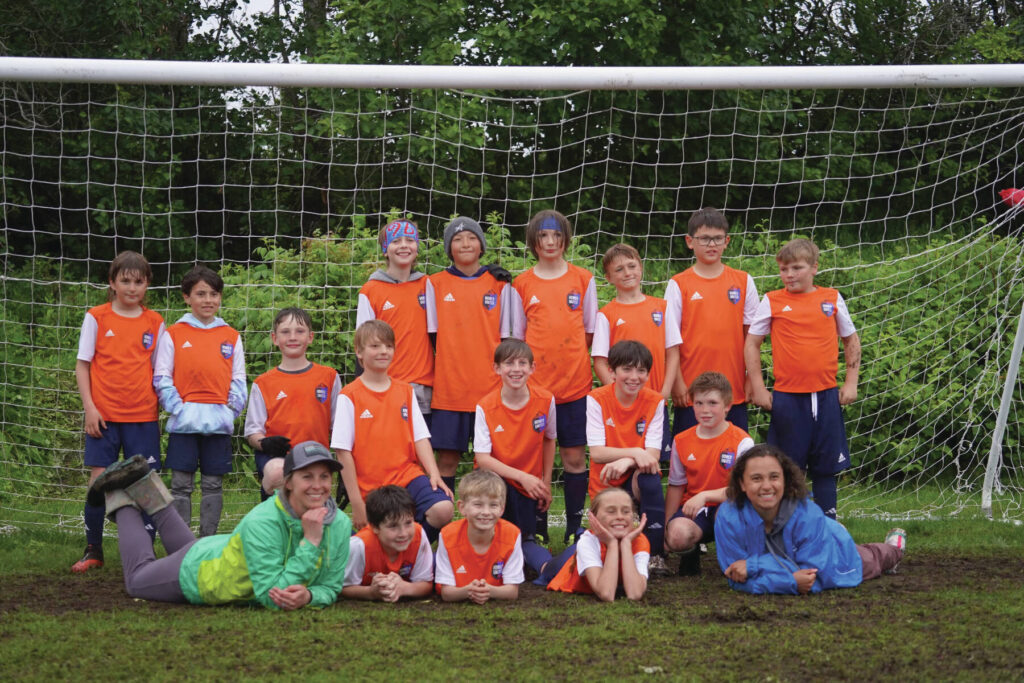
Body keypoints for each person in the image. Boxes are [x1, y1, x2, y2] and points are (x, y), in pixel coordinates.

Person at [90, 441, 352, 608]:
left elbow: (331, 586)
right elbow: (273, 596)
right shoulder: (263, 520)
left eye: (324, 476)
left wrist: (310, 596)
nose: (318, 485)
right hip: (201, 575)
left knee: (188, 550)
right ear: (289, 482)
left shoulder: (339, 523)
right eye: (307, 476)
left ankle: (146, 485)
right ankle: (118, 495)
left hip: (216, 551)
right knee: (136, 581)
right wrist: (311, 542)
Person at [744, 238, 861, 519]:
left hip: (826, 395)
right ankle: (788, 526)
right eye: (784, 269)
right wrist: (758, 387)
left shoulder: (831, 298)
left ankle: (828, 525)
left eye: (797, 268)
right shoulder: (772, 300)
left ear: (814, 268)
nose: (789, 274)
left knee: (826, 467)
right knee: (786, 467)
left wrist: (851, 382)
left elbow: (851, 339)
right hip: (788, 397)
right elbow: (752, 343)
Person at [72, 250, 165, 572]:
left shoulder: (155, 322)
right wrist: (90, 408)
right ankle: (93, 550)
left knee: (146, 484)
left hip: (143, 417)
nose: (132, 288)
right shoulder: (96, 317)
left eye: (138, 282)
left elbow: (160, 372)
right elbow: (82, 365)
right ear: (112, 283)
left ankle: (146, 554)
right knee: (99, 481)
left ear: (147, 285)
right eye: (125, 281)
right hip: (104, 417)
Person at [510, 209, 597, 543]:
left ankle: (575, 528)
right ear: (533, 241)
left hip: (574, 386)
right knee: (535, 460)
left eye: (556, 235)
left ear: (565, 239)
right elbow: (518, 338)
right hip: (535, 390)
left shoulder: (583, 279)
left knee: (574, 458)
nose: (550, 242)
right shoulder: (522, 284)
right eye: (543, 236)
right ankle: (538, 529)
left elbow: (589, 330)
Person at [715, 444, 905, 595]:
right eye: (756, 478)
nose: (766, 486)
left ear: (785, 480)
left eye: (774, 477)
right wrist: (790, 581)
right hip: (810, 542)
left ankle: (894, 549)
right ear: (742, 483)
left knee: (871, 558)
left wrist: (753, 566)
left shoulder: (807, 514)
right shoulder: (727, 517)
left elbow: (810, 577)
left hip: (835, 552)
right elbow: (735, 576)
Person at [331, 320, 453, 540]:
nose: (383, 351)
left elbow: (420, 437)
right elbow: (342, 452)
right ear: (359, 352)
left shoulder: (405, 391)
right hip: (372, 486)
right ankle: (386, 549)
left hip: (408, 476)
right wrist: (356, 502)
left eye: (388, 346)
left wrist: (434, 474)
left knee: (443, 510)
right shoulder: (349, 396)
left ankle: (411, 550)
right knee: (376, 537)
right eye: (375, 346)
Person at [154, 264, 247, 536]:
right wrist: (179, 410)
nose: (208, 300)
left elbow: (239, 380)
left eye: (214, 294)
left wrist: (228, 412)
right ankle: (182, 545)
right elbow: (162, 377)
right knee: (180, 485)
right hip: (184, 425)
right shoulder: (174, 333)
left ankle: (207, 542)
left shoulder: (231, 336)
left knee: (213, 485)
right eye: (201, 294)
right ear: (187, 297)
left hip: (217, 424)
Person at [425, 216, 512, 491]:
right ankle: (443, 513)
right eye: (458, 239)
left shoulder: (500, 284)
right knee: (447, 460)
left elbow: (506, 338)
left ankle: (494, 513)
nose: (465, 243)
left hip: (490, 389)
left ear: (482, 245)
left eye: (472, 238)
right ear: (448, 248)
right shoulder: (434, 284)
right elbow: (432, 336)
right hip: (450, 390)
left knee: (494, 459)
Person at [664, 207, 759, 435]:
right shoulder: (678, 284)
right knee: (690, 452)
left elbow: (752, 338)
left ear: (727, 241)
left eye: (717, 238)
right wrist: (677, 382)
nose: (711, 244)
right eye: (704, 238)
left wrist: (751, 379)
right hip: (692, 391)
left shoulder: (743, 281)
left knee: (735, 454)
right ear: (690, 241)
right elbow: (669, 340)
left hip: (733, 391)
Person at [473, 339, 557, 574]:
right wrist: (523, 477)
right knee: (505, 537)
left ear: (532, 368)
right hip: (495, 484)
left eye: (522, 363)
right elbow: (483, 459)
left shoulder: (546, 400)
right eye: (509, 363)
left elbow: (550, 439)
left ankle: (548, 567)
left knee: (524, 539)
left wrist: (545, 482)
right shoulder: (485, 406)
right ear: (497, 368)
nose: (516, 369)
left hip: (529, 486)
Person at [591, 243, 681, 461]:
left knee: (652, 462)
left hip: (654, 401)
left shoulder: (662, 307)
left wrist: (664, 393)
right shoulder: (606, 314)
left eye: (631, 266)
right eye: (619, 269)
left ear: (641, 267)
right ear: (609, 278)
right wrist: (618, 393)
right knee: (624, 460)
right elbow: (600, 362)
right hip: (623, 406)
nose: (627, 273)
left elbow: (673, 353)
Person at [585, 340, 667, 573]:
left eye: (641, 370)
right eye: (627, 369)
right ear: (612, 372)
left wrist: (627, 460)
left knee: (650, 476)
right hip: (606, 481)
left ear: (648, 374)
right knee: (610, 548)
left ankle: (656, 554)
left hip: (635, 478)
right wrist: (635, 452)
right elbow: (597, 453)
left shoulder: (655, 401)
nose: (634, 377)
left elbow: (652, 455)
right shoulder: (596, 399)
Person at [244, 307, 341, 501]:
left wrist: (345, 472)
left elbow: (340, 429)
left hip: (316, 459)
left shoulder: (329, 377)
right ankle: (274, 510)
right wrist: (265, 443)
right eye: (285, 332)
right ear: (274, 338)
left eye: (300, 331)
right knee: (277, 476)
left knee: (315, 510)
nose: (293, 337)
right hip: (279, 461)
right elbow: (252, 433)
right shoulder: (263, 383)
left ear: (311, 337)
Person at [664, 372, 754, 575]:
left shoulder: (742, 442)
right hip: (695, 508)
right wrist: (666, 526)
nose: (705, 410)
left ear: (727, 406)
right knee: (677, 535)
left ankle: (734, 559)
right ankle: (691, 554)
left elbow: (745, 489)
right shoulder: (681, 440)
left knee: (728, 516)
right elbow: (676, 485)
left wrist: (705, 496)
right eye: (699, 403)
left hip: (729, 505)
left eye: (712, 403)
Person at [357, 219, 434, 426]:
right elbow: (362, 344)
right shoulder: (370, 290)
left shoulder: (427, 284)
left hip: (422, 386)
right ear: (385, 249)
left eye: (410, 240)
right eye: (396, 241)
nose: (403, 245)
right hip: (385, 385)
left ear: (417, 247)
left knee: (421, 443)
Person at [543, 488, 650, 601]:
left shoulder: (639, 541)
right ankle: (530, 544)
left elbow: (635, 594)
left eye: (626, 511)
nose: (620, 516)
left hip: (587, 551)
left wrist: (626, 543)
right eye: (611, 511)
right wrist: (612, 544)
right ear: (594, 517)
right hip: (567, 565)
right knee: (545, 567)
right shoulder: (588, 541)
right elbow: (606, 593)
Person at [434, 470, 524, 603]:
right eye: (478, 504)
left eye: (493, 505)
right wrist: (468, 591)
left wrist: (489, 591)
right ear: (462, 507)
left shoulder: (512, 535)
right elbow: (446, 593)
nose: (486, 512)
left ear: (502, 509)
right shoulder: (448, 536)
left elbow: (512, 592)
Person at [341, 485, 434, 602]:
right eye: (393, 526)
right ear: (375, 527)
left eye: (408, 523)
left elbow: (426, 584)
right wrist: (371, 592)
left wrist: (404, 588)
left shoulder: (418, 535)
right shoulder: (358, 546)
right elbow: (343, 587)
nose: (403, 533)